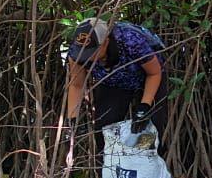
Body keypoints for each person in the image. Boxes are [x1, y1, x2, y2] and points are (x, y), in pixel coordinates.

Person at [65, 18, 168, 147]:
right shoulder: (76, 53)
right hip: (114, 82)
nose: (89, 57)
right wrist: (72, 120)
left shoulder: (130, 40)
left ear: (106, 41)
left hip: (148, 77)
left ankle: (152, 163)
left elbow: (154, 73)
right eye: (85, 52)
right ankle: (107, 165)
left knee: (149, 130)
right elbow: (76, 85)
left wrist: (144, 106)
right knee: (103, 128)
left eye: (92, 51)